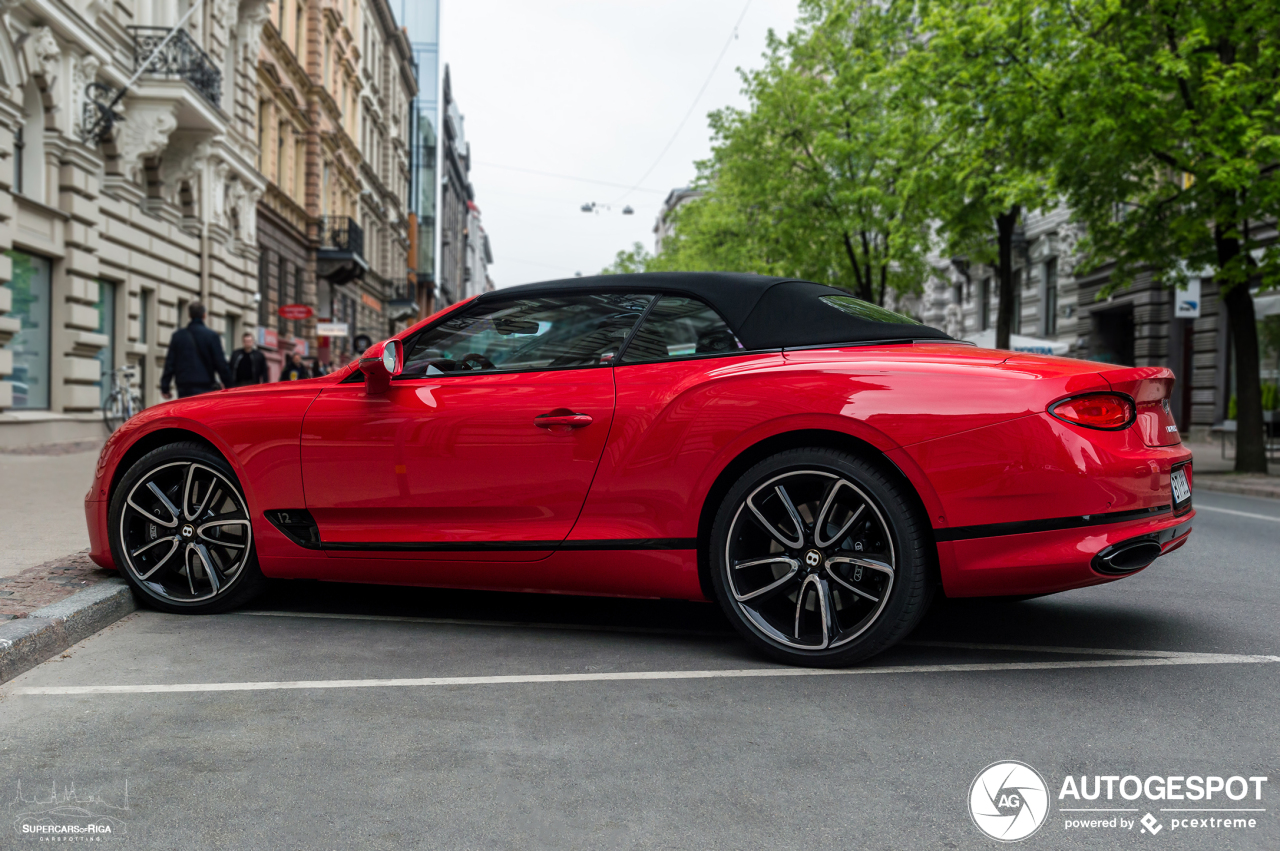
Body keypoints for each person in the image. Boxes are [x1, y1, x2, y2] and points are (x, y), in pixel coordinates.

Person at [160, 301, 232, 399]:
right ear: (204, 315)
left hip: (183, 386)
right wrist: (229, 387)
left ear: (189, 315)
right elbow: (221, 363)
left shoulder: (178, 336)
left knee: (185, 413)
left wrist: (165, 387)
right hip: (205, 386)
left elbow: (170, 363)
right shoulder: (211, 336)